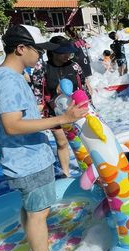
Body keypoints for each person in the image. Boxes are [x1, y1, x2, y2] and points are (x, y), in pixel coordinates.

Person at [0, 24, 88, 251]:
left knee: (32, 210)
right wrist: (62, 118)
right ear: (20, 48)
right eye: (38, 50)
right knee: (38, 214)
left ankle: (33, 245)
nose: (41, 55)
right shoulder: (8, 80)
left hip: (23, 158)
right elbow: (12, 125)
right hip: (27, 160)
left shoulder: (3, 77)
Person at [30, 36, 92, 179]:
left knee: (83, 141)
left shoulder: (74, 66)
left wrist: (89, 104)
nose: (67, 55)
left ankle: (88, 171)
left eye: (68, 52)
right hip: (54, 111)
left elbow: (83, 87)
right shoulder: (42, 68)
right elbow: (38, 92)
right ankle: (66, 173)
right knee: (62, 142)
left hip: (76, 109)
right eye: (63, 52)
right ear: (53, 52)